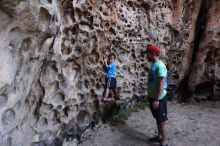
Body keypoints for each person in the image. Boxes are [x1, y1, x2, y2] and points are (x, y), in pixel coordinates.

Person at [143, 44, 168, 146]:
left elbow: (162, 83)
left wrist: (157, 99)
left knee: (161, 121)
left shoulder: (160, 66)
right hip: (153, 97)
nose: (146, 56)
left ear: (153, 54)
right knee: (158, 119)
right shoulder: (154, 65)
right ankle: (159, 137)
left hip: (159, 98)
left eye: (148, 54)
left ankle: (164, 142)